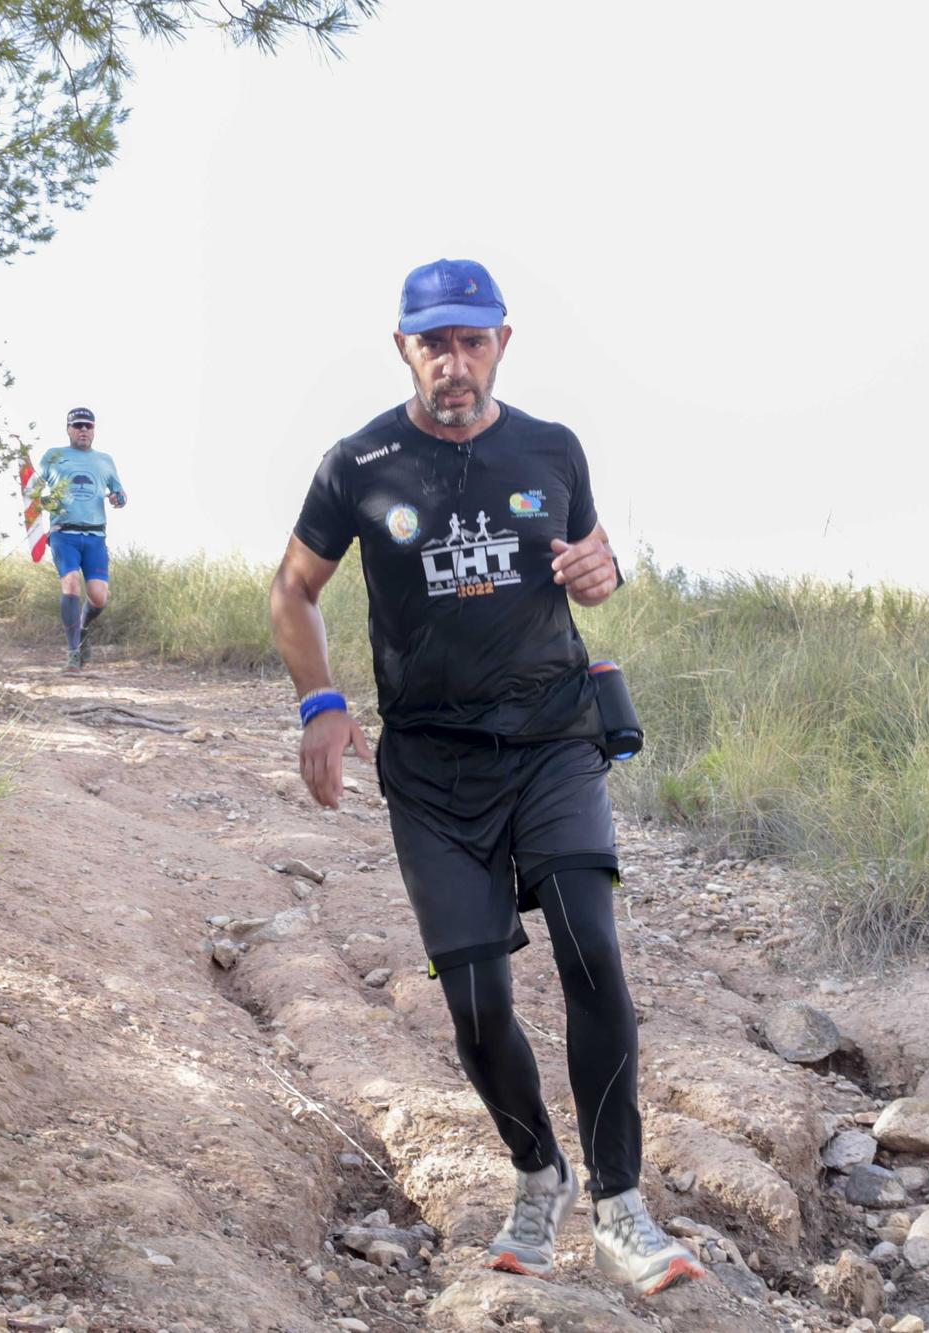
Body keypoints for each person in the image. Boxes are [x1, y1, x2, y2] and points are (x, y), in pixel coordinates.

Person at [267, 259, 704, 1298]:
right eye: (433, 342)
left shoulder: (550, 448)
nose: (452, 362)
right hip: (429, 767)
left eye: (470, 340)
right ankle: (534, 1170)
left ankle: (618, 1205)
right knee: (473, 1004)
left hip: (553, 739)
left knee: (591, 951)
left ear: (501, 340)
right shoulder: (357, 462)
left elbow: (589, 566)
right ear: (403, 347)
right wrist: (320, 702)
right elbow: (293, 588)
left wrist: (605, 573)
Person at [34, 407, 127, 672]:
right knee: (72, 585)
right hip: (64, 534)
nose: (83, 430)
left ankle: (84, 629)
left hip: (95, 536)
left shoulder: (105, 460)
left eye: (88, 425)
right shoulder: (54, 456)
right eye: (78, 426)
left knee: (99, 597)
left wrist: (117, 499)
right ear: (68, 429)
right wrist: (49, 504)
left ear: (94, 430)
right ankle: (73, 653)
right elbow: (35, 492)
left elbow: (120, 494)